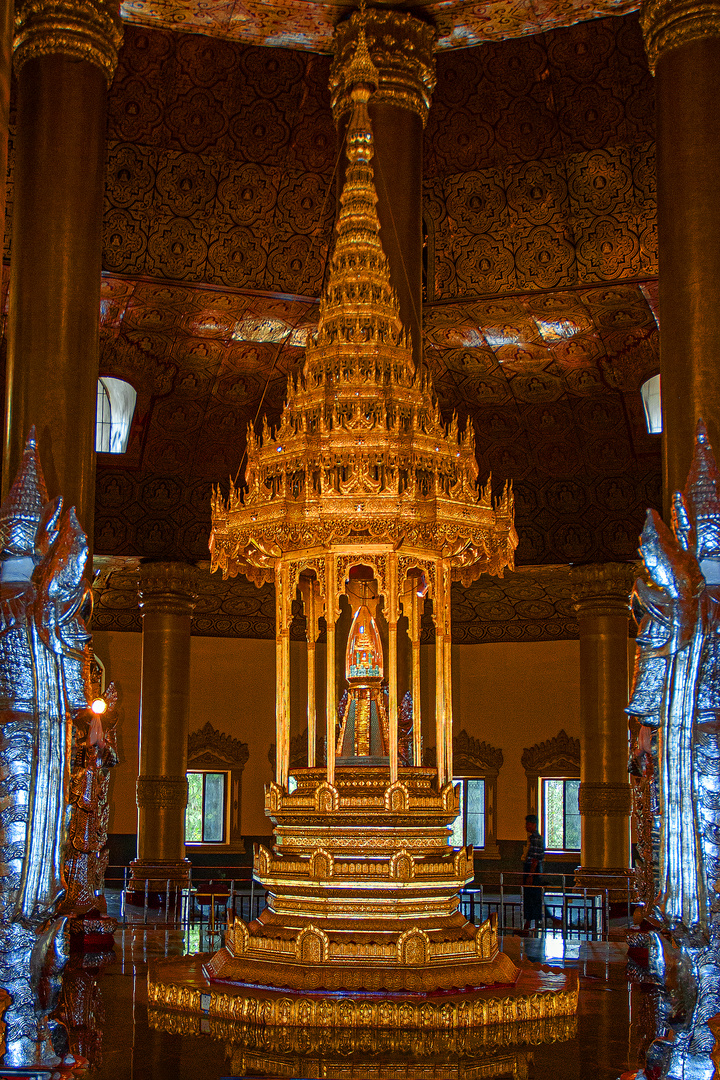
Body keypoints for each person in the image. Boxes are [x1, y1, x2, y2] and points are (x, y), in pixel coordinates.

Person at [522, 813, 545, 932]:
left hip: (533, 871)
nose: (526, 826)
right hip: (533, 870)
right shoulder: (534, 838)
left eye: (528, 824)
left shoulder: (535, 838)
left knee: (532, 897)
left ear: (534, 825)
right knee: (533, 897)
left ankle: (531, 922)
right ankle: (533, 922)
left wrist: (530, 875)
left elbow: (535, 859)